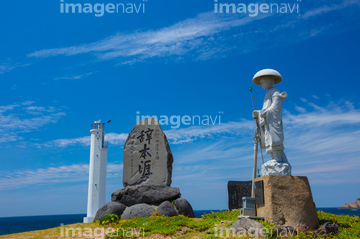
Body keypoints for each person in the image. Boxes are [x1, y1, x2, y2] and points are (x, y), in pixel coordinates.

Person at [252, 69, 291, 175]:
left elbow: (276, 107)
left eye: (263, 82)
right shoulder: (267, 93)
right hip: (267, 122)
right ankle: (275, 158)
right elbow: (265, 108)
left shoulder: (275, 91)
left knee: (274, 141)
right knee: (268, 141)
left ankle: (279, 159)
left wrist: (264, 113)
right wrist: (258, 113)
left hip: (272, 121)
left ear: (270, 80)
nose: (261, 84)